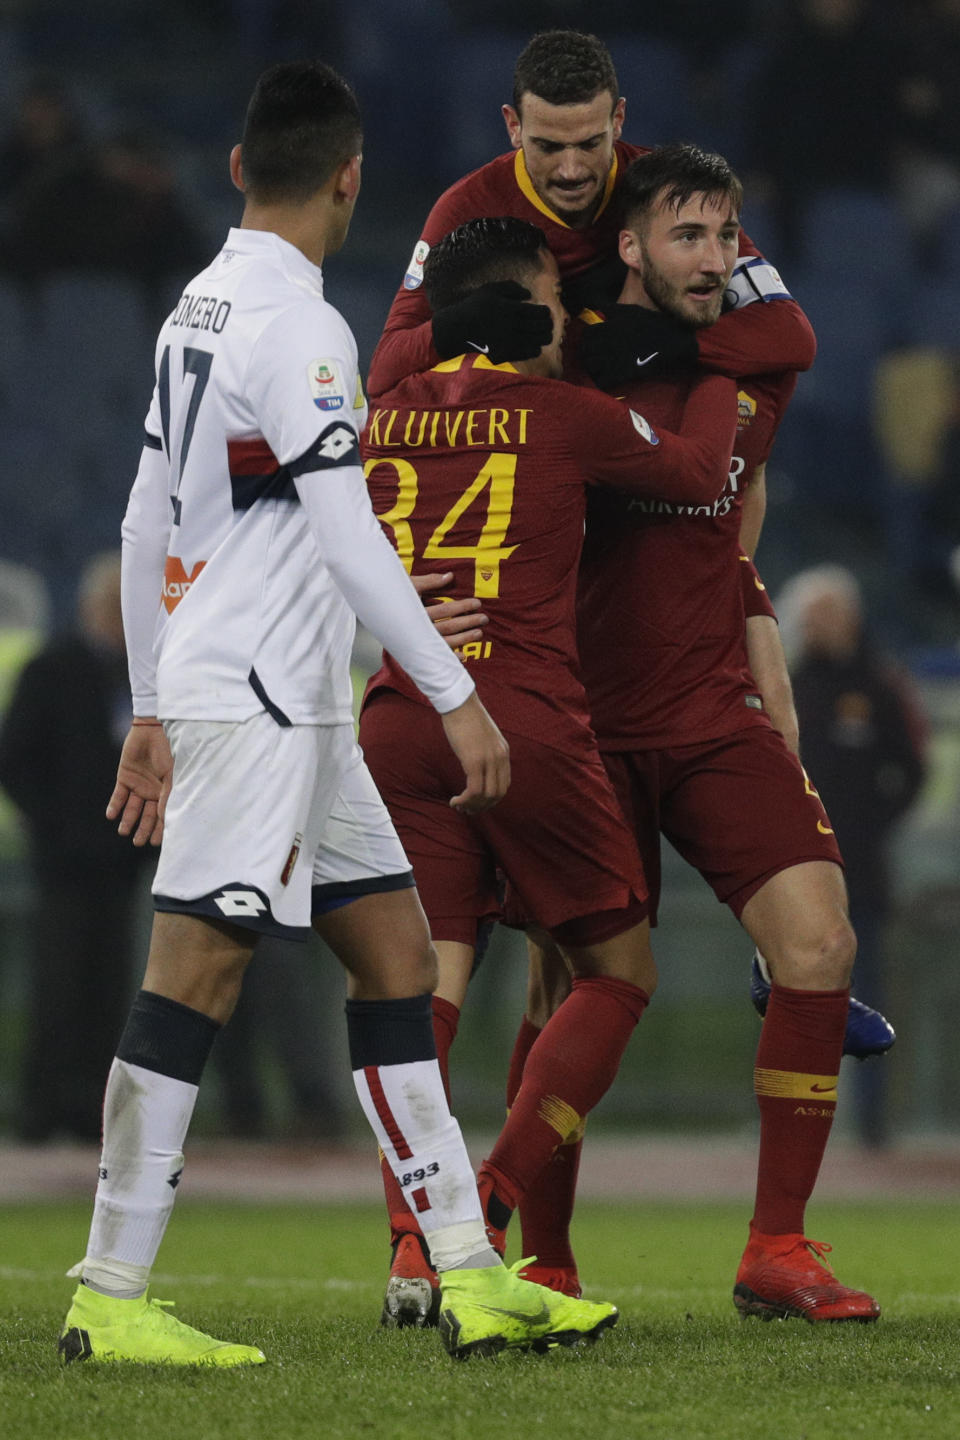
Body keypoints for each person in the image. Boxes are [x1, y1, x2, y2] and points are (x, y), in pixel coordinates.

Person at [57, 59, 619, 1368]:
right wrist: (457, 691)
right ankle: (111, 1287)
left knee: (398, 961)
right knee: (197, 968)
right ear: (352, 182)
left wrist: (148, 696)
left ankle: (471, 1274)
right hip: (260, 686)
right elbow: (351, 535)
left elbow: (148, 518)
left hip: (276, 691)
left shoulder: (195, 307)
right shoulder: (304, 330)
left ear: (243, 166)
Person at [508, 144, 881, 1322]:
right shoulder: (561, 362)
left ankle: (777, 1246)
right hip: (582, 721)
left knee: (819, 946)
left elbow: (791, 345)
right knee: (567, 988)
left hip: (710, 712)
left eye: (728, 238)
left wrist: (766, 674)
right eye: (687, 237)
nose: (716, 260)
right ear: (628, 247)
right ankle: (547, 1260)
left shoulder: (742, 369)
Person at [358, 214, 739, 1325]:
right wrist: (718, 368)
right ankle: (484, 1200)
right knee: (617, 972)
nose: (575, 318)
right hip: (518, 717)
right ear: (524, 311)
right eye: (555, 301)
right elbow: (699, 472)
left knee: (416, 992)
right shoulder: (567, 417)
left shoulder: (379, 417)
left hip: (396, 714)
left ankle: (411, 1251)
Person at [367, 28, 817, 401]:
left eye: (589, 144)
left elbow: (790, 334)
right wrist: (453, 327)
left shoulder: (663, 193)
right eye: (547, 147)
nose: (571, 171)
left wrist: (674, 345)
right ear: (512, 126)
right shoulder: (466, 208)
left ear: (618, 120)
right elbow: (384, 369)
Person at [773, 565, 928, 1146]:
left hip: (859, 874)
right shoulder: (791, 684)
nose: (822, 626)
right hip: (789, 875)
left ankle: (871, 1125)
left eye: (830, 613)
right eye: (813, 616)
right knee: (784, 994)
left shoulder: (881, 685)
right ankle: (790, 1119)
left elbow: (912, 768)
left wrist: (869, 826)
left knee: (865, 997)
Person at [0, 552, 149, 1143]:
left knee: (112, 994)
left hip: (120, 865)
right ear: (93, 607)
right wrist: (53, 829)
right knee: (59, 987)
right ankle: (41, 1111)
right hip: (64, 865)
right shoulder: (50, 670)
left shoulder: (139, 676)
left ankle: (94, 1113)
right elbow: (15, 760)